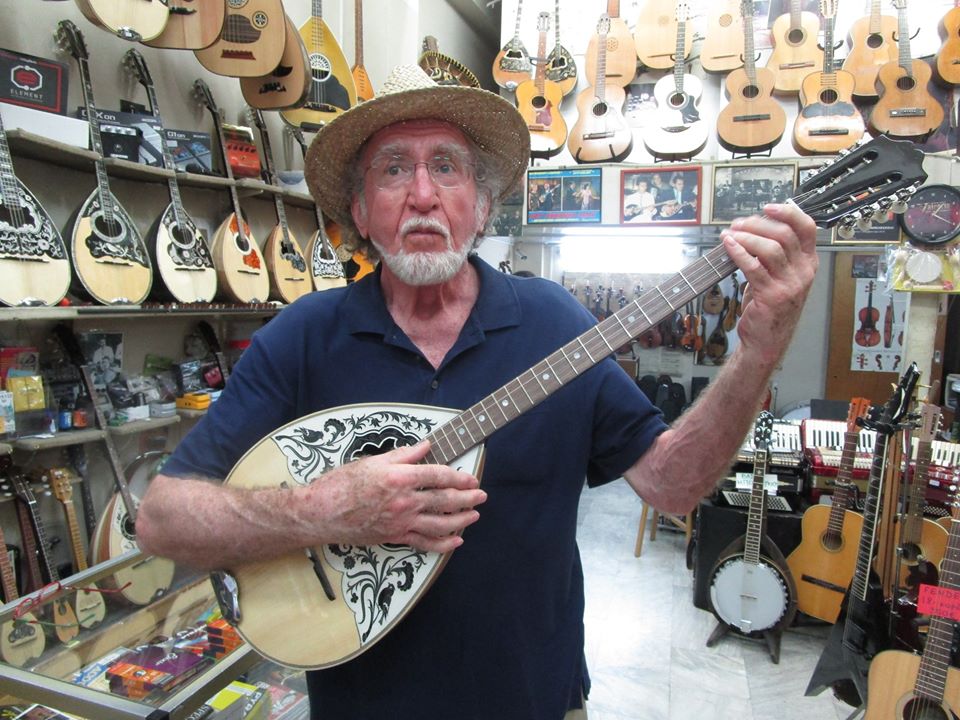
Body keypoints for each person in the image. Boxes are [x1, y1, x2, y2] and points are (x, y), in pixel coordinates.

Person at [136, 65, 819, 720]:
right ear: (360, 212)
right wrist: (324, 509)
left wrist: (758, 353)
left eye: (448, 167)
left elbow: (674, 486)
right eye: (394, 168)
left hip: (532, 698)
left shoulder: (555, 323)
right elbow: (162, 520)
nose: (423, 194)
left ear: (484, 205)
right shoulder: (304, 337)